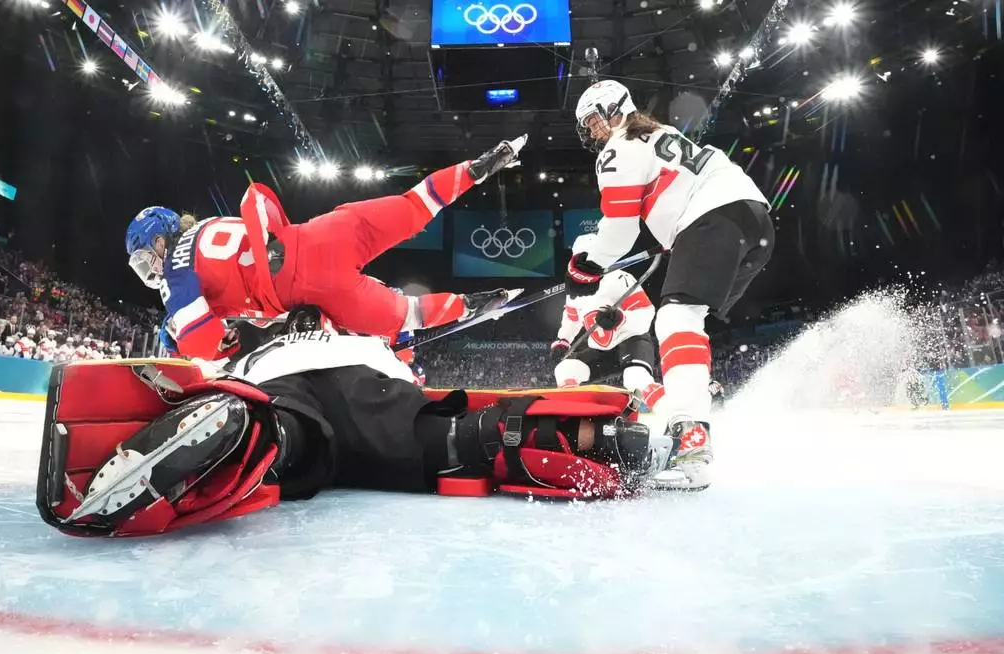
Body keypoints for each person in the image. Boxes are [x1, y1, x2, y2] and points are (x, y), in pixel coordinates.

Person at [34, 316, 674, 539]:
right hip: (369, 383)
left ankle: (237, 434)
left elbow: (192, 355)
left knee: (285, 441)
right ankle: (613, 444)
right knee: (464, 441)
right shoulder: (359, 325)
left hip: (273, 385)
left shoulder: (247, 335)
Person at [125, 135, 528, 361]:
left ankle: (471, 305)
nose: (150, 269)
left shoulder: (174, 279)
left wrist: (178, 335)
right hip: (320, 232)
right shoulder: (209, 223)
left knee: (404, 314)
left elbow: (205, 345)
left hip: (308, 285)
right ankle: (476, 169)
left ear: (160, 239)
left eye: (147, 257)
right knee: (413, 205)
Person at [565, 80, 776, 488]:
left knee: (675, 319)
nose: (592, 132)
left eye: (593, 120)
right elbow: (674, 190)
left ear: (614, 110)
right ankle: (694, 391)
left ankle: (691, 440)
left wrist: (587, 265)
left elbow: (619, 230)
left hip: (714, 219)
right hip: (755, 222)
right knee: (689, 321)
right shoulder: (661, 133)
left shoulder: (618, 147)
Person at [550, 268, 665, 411]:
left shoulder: (619, 279)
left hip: (631, 340)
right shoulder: (575, 291)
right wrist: (563, 340)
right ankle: (572, 414)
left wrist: (621, 318)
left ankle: (673, 415)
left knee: (635, 377)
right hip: (601, 349)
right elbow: (571, 319)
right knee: (565, 369)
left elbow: (646, 314)